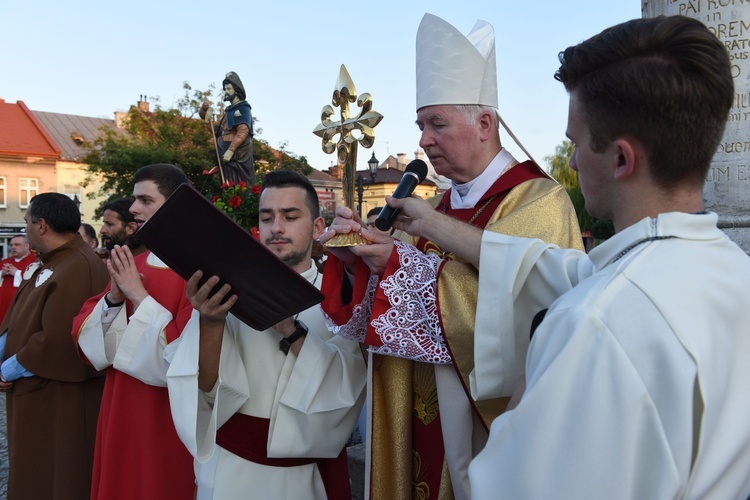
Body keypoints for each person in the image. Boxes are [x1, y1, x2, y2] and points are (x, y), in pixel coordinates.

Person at [382, 15, 750, 499]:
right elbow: (552, 268)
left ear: (621, 159)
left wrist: (521, 407)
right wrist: (426, 226)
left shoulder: (590, 324)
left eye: (576, 143)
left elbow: (513, 488)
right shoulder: (731, 270)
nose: (570, 164)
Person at [320, 13, 583, 499]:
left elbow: (523, 318)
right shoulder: (433, 208)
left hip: (485, 433)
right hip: (417, 421)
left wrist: (396, 267)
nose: (422, 139)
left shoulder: (539, 202)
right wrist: (361, 256)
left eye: (436, 124)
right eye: (421, 125)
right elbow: (391, 314)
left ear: (485, 123)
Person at [166, 170, 367, 499]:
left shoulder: (337, 299)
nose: (277, 228)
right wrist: (211, 322)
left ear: (317, 228)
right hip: (229, 470)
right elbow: (200, 390)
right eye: (267, 217)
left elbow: (348, 388)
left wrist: (289, 327)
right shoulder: (226, 292)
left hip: (300, 477)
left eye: (290, 216)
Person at [72, 164, 195, 500]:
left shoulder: (200, 272)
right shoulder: (133, 266)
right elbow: (94, 347)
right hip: (120, 408)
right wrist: (114, 297)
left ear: (175, 205)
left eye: (145, 200)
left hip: (167, 419)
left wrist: (138, 297)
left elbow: (185, 357)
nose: (133, 209)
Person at [0, 193, 109, 500]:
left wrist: (7, 369)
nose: (25, 229)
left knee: (57, 473)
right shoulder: (51, 262)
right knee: (35, 469)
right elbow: (18, 316)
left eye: (26, 222)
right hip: (36, 388)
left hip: (60, 396)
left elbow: (60, 336)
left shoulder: (79, 266)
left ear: (42, 225)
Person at [200, 71, 256, 184]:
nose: (225, 91)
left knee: (238, 184)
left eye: (229, 89)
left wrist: (231, 150)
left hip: (236, 157)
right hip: (225, 153)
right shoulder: (229, 112)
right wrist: (207, 121)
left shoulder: (242, 108)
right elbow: (218, 133)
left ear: (237, 90)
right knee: (226, 183)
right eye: (225, 89)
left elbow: (243, 131)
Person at [0, 235, 36, 324]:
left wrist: (16, 273)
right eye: (11, 245)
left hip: (21, 305)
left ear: (27, 246)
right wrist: (1, 273)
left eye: (17, 245)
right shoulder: (5, 262)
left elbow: (35, 280)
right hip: (2, 305)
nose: (13, 247)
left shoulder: (35, 262)